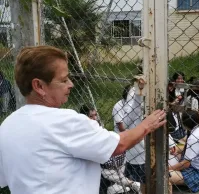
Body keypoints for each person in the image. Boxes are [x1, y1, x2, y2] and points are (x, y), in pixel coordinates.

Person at [0, 46, 166, 194]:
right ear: (39, 86)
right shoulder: (64, 121)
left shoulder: (8, 125)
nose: (71, 84)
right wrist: (147, 125)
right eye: (64, 80)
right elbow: (118, 145)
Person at [80, 104, 140, 194]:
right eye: (91, 116)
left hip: (108, 169)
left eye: (95, 115)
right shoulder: (83, 133)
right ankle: (130, 183)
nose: (94, 118)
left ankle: (129, 183)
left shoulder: (100, 129)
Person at [112, 77, 148, 194]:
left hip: (141, 144)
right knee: (139, 179)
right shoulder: (121, 107)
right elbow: (124, 126)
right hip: (132, 146)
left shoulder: (144, 104)